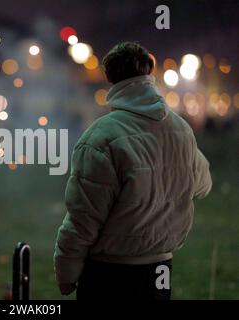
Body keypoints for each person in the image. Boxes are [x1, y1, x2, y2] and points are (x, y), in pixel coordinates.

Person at [54, 42, 212, 300]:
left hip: (110, 273)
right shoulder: (181, 129)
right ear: (150, 74)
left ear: (110, 78)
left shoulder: (101, 136)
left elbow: (83, 219)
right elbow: (203, 184)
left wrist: (66, 273)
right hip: (161, 269)